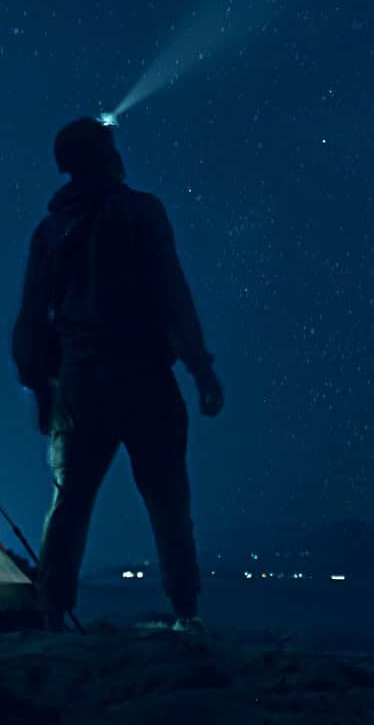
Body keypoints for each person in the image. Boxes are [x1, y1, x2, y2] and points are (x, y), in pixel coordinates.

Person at [12, 116, 224, 632]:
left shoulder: (49, 230)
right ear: (106, 156)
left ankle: (51, 611)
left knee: (70, 502)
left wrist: (40, 386)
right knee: (167, 497)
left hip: (80, 384)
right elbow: (175, 293)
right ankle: (186, 612)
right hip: (145, 375)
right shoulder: (142, 212)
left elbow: (31, 314)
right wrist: (201, 370)